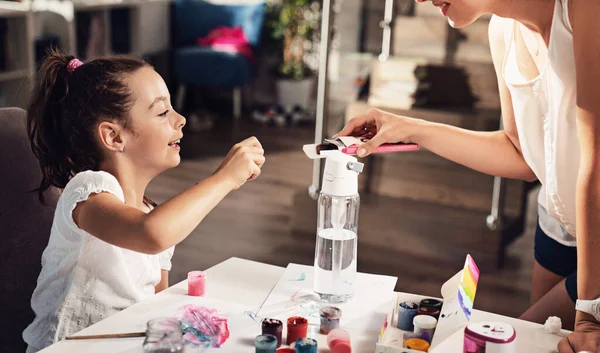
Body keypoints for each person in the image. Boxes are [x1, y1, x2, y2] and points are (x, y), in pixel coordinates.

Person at [336, 0, 600, 351]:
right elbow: (520, 152)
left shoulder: (584, 9)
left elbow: (596, 167)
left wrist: (589, 315)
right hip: (559, 225)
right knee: (534, 339)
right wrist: (410, 128)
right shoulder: (503, 32)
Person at [22, 49, 265, 352]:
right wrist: (224, 178)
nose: (181, 119)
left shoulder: (154, 215)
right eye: (163, 112)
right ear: (114, 137)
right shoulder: (87, 192)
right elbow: (150, 234)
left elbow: (156, 308)